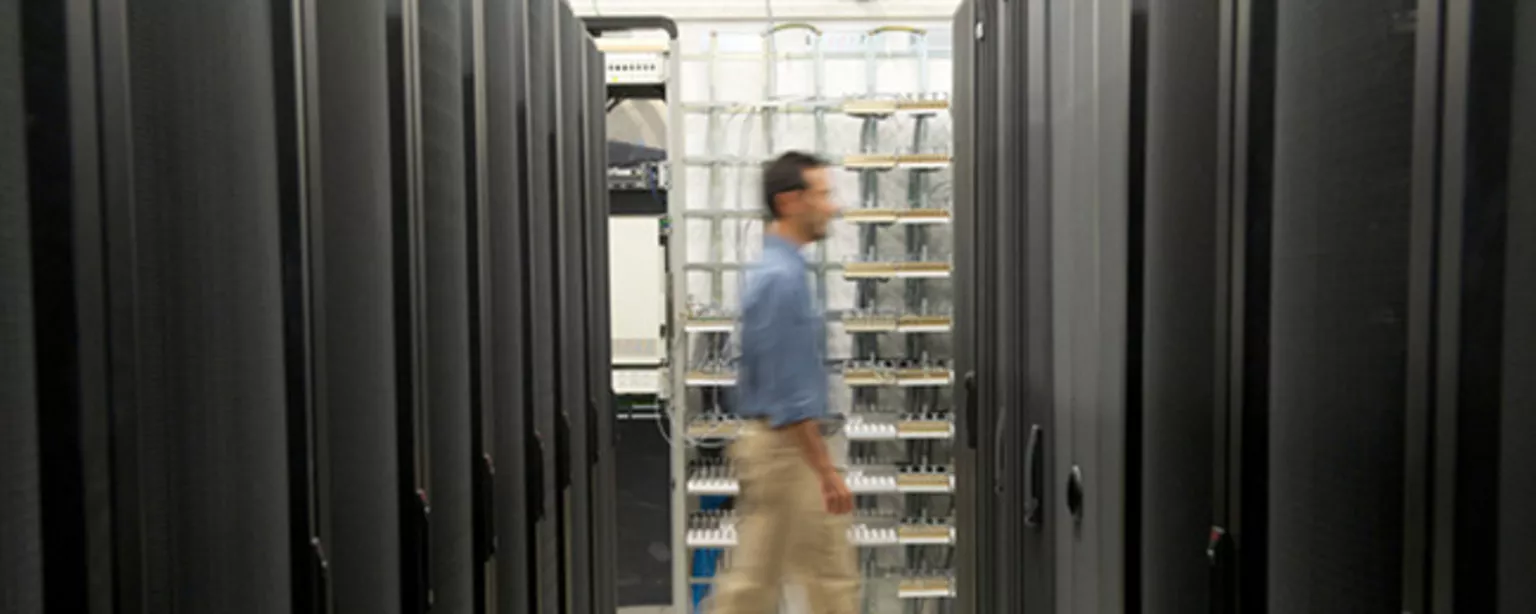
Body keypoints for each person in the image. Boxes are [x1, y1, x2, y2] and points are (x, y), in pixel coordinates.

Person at [711, 151, 858, 613]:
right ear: (790, 202)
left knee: (755, 584)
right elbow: (790, 395)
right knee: (828, 582)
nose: (831, 207)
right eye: (822, 195)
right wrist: (826, 472)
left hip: (780, 448)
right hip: (788, 451)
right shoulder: (782, 280)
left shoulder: (782, 271)